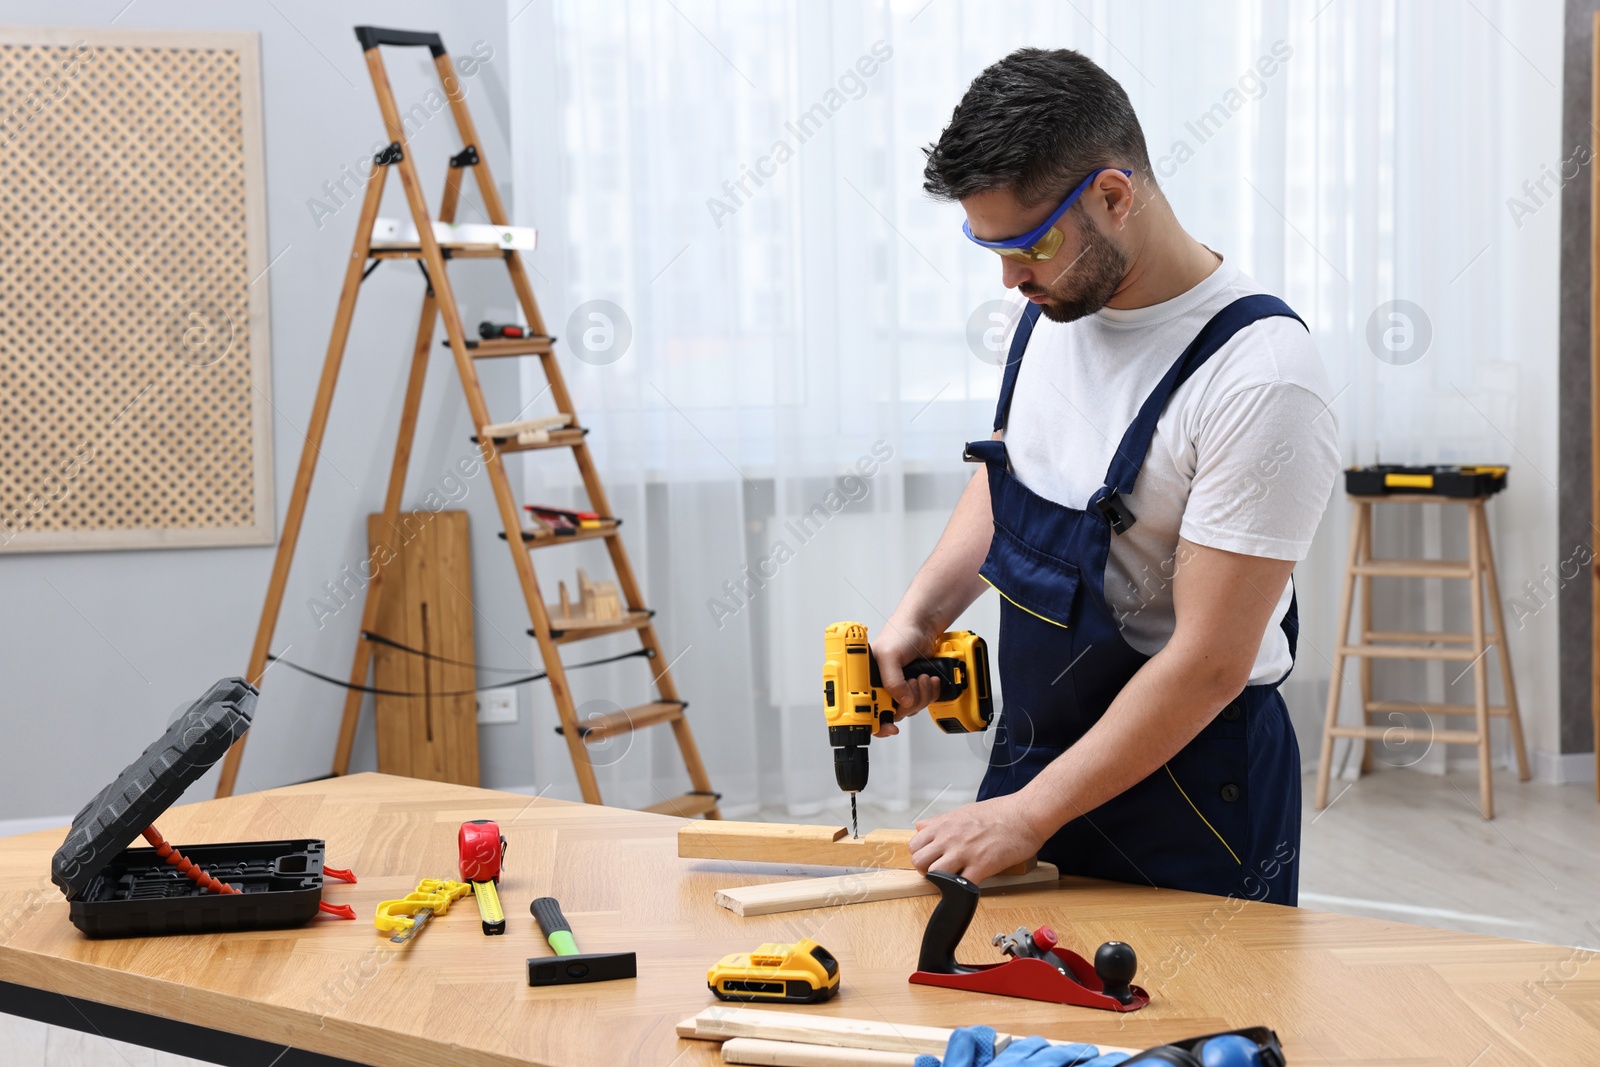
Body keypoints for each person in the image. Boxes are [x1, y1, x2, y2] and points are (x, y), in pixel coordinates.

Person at [880, 48, 1339, 905]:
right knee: (1012, 1028)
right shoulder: (1060, 302)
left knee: (1192, 1035)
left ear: (1114, 196)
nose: (1010, 279)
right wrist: (921, 612)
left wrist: (1026, 816)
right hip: (1036, 760)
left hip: (1193, 787)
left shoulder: (1259, 374)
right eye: (990, 248)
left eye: (1026, 245)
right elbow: (1014, 478)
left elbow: (1208, 662)